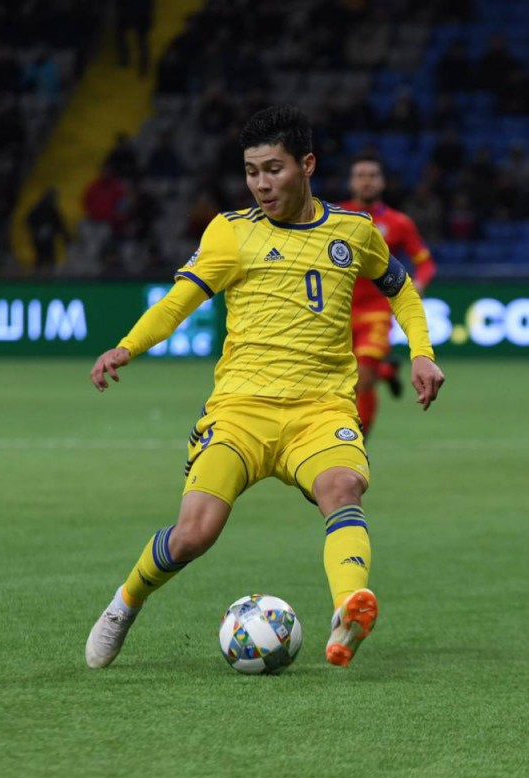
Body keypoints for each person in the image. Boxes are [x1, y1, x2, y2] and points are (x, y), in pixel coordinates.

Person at [86, 106, 444, 671]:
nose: (261, 184)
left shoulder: (353, 231)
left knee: (343, 487)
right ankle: (124, 604)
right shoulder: (230, 231)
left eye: (273, 169)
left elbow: (401, 289)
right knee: (194, 534)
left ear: (307, 165)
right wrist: (126, 347)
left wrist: (422, 353)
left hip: (320, 411)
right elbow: (179, 302)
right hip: (240, 412)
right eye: (252, 172)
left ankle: (348, 608)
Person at [342, 156, 438, 438]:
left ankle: (359, 443)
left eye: (372, 175)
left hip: (376, 312)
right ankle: (386, 371)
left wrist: (418, 284)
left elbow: (426, 263)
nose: (366, 181)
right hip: (338, 311)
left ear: (382, 182)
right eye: (360, 175)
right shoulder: (335, 217)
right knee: (342, 380)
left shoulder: (399, 223)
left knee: (363, 379)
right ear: (351, 182)